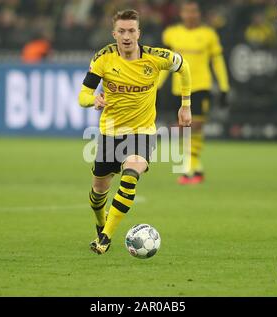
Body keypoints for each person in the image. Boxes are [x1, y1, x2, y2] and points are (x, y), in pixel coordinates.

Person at [78, 9, 192, 255]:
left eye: (131, 30)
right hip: (110, 133)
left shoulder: (155, 57)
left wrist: (185, 105)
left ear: (138, 33)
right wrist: (93, 100)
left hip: (142, 132)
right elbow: (83, 94)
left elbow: (184, 67)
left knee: (130, 175)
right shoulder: (103, 58)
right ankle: (101, 224)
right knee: (98, 193)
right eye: (122, 31)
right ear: (114, 33)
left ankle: (105, 238)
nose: (127, 36)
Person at [159, 0, 230, 184]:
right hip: (178, 88)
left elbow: (218, 61)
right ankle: (196, 168)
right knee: (188, 129)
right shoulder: (171, 34)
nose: (191, 15)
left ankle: (188, 169)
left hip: (200, 87)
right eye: (187, 12)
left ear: (199, 14)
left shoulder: (208, 34)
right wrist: (157, 86)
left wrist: (224, 87)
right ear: (181, 14)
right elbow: (164, 63)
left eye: (194, 12)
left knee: (193, 126)